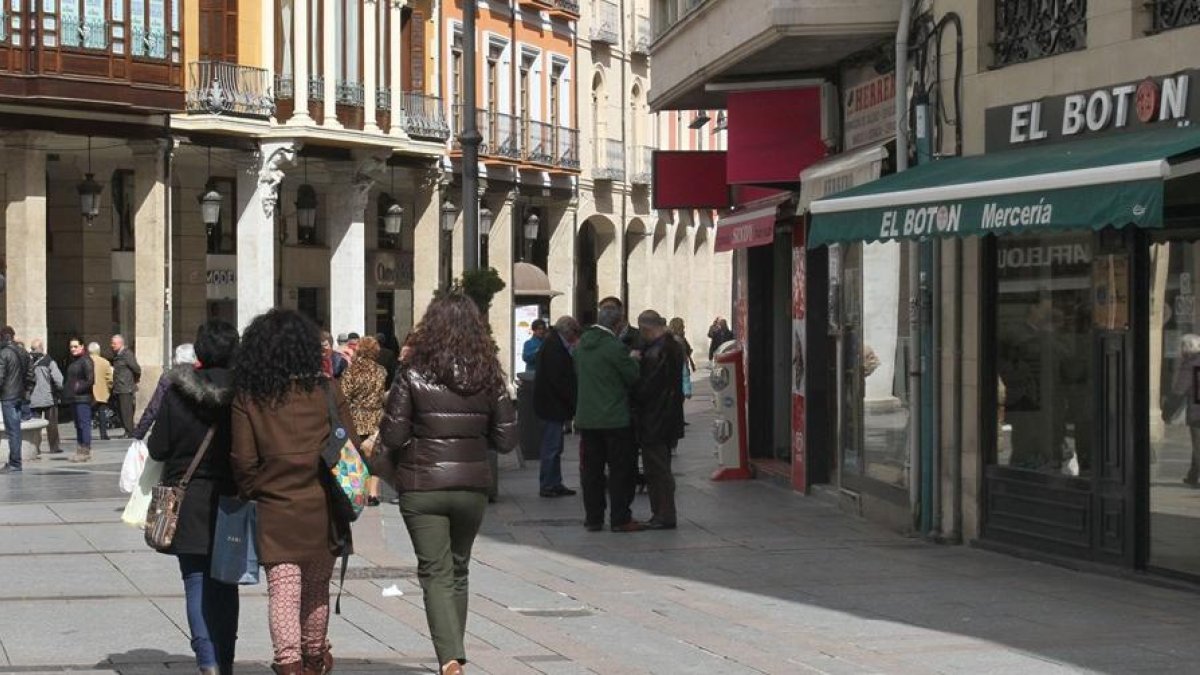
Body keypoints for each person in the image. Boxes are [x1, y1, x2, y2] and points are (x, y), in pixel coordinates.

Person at [376, 293, 518, 675]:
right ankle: (453, 654)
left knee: (435, 571)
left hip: (422, 483)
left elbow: (392, 436)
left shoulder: (413, 372)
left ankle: (450, 659)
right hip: (471, 485)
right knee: (458, 569)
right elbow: (506, 440)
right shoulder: (489, 374)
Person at [231, 309, 356, 675]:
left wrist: (257, 489)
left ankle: (288, 663)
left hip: (275, 508)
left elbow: (242, 460)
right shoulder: (327, 390)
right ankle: (315, 657)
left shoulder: (249, 397)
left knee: (284, 590)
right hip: (324, 506)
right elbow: (351, 447)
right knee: (317, 587)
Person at [146, 321, 240, 675]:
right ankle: (226, 660)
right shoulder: (245, 394)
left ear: (199, 351)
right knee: (226, 585)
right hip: (232, 499)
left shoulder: (177, 393)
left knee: (195, 581)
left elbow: (158, 448)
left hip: (186, 502)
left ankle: (207, 661)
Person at [574, 303, 642, 532]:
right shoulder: (614, 347)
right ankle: (620, 518)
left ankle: (593, 518)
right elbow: (632, 376)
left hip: (587, 418)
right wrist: (633, 359)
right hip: (614, 418)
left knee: (591, 471)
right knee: (620, 470)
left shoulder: (581, 346)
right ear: (617, 324)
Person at [633, 311, 685, 530]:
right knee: (660, 467)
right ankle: (663, 513)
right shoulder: (672, 346)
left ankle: (663, 514)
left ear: (646, 329)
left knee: (657, 469)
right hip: (667, 416)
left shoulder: (657, 351)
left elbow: (647, 387)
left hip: (655, 418)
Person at [533, 316, 581, 498]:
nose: (576, 336)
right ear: (568, 331)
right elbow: (559, 380)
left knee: (555, 446)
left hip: (551, 404)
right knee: (551, 447)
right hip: (551, 405)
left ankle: (555, 482)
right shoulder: (554, 347)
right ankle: (548, 484)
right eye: (575, 332)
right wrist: (572, 401)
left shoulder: (553, 343)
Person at [342, 335, 388, 507]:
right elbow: (381, 395)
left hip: (355, 417)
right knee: (375, 456)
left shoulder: (351, 371)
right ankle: (373, 494)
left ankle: (357, 493)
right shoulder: (381, 371)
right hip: (376, 417)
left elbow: (344, 396)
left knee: (355, 456)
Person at [132, 344, 198, 441]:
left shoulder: (168, 377)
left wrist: (140, 432)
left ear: (176, 359)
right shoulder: (200, 376)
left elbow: (154, 407)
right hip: (196, 431)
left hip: (172, 430)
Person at [1167, 334, 1200, 486]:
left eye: (1181, 347)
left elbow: (1179, 391)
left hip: (1198, 413)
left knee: (1198, 446)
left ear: (1186, 349)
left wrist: (1167, 412)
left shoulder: (1191, 364)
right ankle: (1193, 475)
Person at [0, 326, 29, 473]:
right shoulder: (23, 352)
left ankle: (15, 463)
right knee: (15, 430)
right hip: (19, 396)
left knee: (12, 431)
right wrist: (26, 391)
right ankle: (15, 461)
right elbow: (31, 375)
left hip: (8, 397)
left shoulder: (3, 353)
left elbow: (0, 377)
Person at [28, 339, 64, 455]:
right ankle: (54, 447)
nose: (32, 351)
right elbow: (58, 379)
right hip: (49, 398)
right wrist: (60, 390)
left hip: (34, 398)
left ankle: (35, 448)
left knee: (35, 426)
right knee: (52, 425)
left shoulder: (30, 362)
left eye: (33, 349)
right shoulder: (49, 361)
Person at [63, 338, 95, 463]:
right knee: (78, 425)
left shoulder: (86, 360)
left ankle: (85, 450)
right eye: (71, 347)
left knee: (84, 424)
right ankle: (80, 448)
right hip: (74, 398)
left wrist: (78, 387)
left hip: (83, 397)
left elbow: (90, 379)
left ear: (82, 347)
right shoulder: (74, 361)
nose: (73, 349)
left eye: (75, 346)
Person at [110, 334, 142, 438]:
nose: (112, 345)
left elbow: (137, 369)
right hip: (119, 387)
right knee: (121, 411)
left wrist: (132, 380)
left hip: (126, 387)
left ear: (120, 343)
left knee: (126, 411)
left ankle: (130, 431)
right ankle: (127, 430)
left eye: (114, 343)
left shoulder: (127, 354)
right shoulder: (117, 355)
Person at [89, 342, 115, 441]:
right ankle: (103, 434)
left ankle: (86, 434)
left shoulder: (85, 361)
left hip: (88, 391)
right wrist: (109, 387)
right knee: (102, 413)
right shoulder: (105, 362)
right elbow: (109, 378)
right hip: (101, 391)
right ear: (99, 351)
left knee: (87, 413)